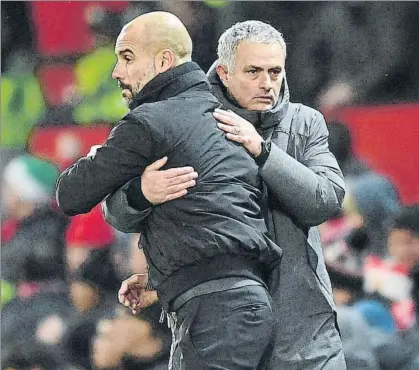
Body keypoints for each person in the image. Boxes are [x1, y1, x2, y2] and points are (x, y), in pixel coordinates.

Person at [104, 20, 347, 370]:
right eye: (253, 71)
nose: (267, 83)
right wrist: (142, 193)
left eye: (275, 71)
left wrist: (263, 151)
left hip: (305, 339)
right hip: (218, 333)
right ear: (224, 73)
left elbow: (325, 200)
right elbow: (117, 212)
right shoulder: (184, 123)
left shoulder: (304, 123)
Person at [55, 12, 281, 370]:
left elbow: (71, 194)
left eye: (127, 57)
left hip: (216, 312)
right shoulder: (228, 117)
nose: (117, 71)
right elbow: (212, 219)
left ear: (163, 61)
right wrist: (162, 274)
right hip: (243, 304)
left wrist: (99, 157)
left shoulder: (150, 122)